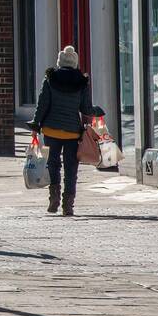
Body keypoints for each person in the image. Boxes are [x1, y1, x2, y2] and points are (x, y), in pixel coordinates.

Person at [32, 46, 93, 217]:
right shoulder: (82, 82)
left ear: (60, 62)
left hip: (51, 130)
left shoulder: (50, 79)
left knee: (53, 164)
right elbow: (86, 108)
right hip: (72, 132)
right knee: (71, 168)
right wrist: (98, 111)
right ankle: (68, 205)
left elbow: (42, 104)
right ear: (75, 62)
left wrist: (36, 125)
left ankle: (54, 197)